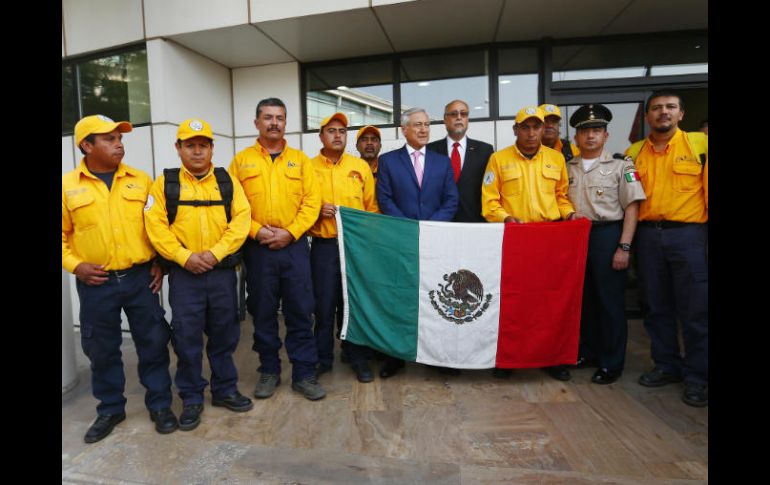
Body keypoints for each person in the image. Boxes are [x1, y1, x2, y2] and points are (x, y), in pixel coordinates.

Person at [62, 114, 177, 443]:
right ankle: (110, 408)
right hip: (95, 283)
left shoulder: (141, 181)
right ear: (86, 145)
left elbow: (157, 227)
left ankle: (159, 404)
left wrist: (159, 262)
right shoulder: (68, 186)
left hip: (141, 279)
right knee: (102, 349)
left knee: (153, 343)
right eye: (109, 139)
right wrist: (75, 265)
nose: (119, 144)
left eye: (119, 138)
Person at [144, 118, 253, 431]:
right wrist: (184, 257)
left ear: (211, 148)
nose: (196, 151)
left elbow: (241, 221)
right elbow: (155, 227)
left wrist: (214, 254)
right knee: (187, 338)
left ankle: (224, 390)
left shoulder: (227, 181)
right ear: (178, 148)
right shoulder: (164, 184)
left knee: (225, 334)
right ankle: (191, 397)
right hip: (184, 278)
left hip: (221, 274)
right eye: (189, 145)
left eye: (202, 145)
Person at [228, 98, 326, 401]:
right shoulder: (241, 161)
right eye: (268, 117)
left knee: (300, 310)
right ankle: (269, 371)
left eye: (280, 118)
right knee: (264, 312)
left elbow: (312, 202)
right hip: (257, 250)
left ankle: (304, 374)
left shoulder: (301, 161)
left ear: (286, 123)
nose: (274, 122)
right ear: (256, 122)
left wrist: (291, 232)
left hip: (294, 248)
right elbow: (235, 204)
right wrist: (259, 232)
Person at [481, 105, 582, 381]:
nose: (530, 132)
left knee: (548, 303)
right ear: (515, 130)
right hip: (514, 239)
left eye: (535, 126)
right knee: (513, 302)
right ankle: (509, 359)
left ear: (543, 129)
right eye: (524, 127)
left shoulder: (556, 159)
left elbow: (561, 196)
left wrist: (570, 213)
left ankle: (551, 358)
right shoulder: (498, 159)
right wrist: (506, 218)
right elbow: (489, 202)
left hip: (549, 238)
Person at [624, 91, 708, 407]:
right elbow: (631, 199)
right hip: (648, 237)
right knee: (656, 307)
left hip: (688, 236)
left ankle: (697, 377)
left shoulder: (701, 145)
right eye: (657, 108)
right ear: (647, 116)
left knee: (695, 310)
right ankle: (666, 366)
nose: (663, 113)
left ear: (681, 114)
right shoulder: (633, 152)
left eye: (670, 107)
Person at [376, 107, 459, 378]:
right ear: (404, 129)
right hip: (402, 241)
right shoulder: (388, 161)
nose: (423, 130)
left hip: (436, 241)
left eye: (426, 124)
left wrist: (431, 226)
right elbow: (385, 199)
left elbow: (451, 200)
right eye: (417, 125)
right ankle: (395, 357)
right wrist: (408, 228)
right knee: (398, 300)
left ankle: (436, 356)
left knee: (435, 297)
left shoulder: (441, 162)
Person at [566, 105, 646, 384]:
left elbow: (632, 208)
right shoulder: (567, 167)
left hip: (606, 235)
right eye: (585, 131)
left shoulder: (621, 166)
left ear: (606, 135)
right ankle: (588, 352)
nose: (590, 136)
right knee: (583, 301)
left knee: (610, 303)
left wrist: (624, 247)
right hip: (575, 239)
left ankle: (612, 363)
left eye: (596, 130)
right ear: (576, 137)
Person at [309, 112, 379, 383]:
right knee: (324, 306)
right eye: (332, 130)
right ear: (321, 135)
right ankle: (322, 359)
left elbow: (372, 209)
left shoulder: (359, 168)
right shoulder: (308, 167)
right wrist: (317, 211)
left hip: (354, 248)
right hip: (324, 247)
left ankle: (357, 357)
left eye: (342, 131)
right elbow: (301, 205)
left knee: (354, 304)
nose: (338, 135)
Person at [427, 99, 494, 222]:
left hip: (474, 223)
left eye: (463, 114)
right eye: (453, 114)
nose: (459, 117)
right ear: (445, 120)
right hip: (438, 222)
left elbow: (490, 190)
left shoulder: (485, 150)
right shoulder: (429, 150)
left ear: (467, 119)